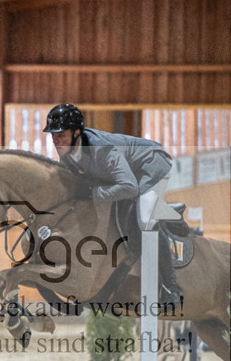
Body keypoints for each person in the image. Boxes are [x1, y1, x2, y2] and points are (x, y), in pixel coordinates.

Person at [42, 102, 182, 303]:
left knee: (144, 220)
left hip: (150, 166)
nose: (56, 141)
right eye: (53, 136)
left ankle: (171, 287)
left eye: (61, 135)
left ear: (76, 133)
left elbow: (130, 187)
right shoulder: (67, 154)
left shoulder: (103, 150)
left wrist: (97, 194)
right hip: (124, 174)